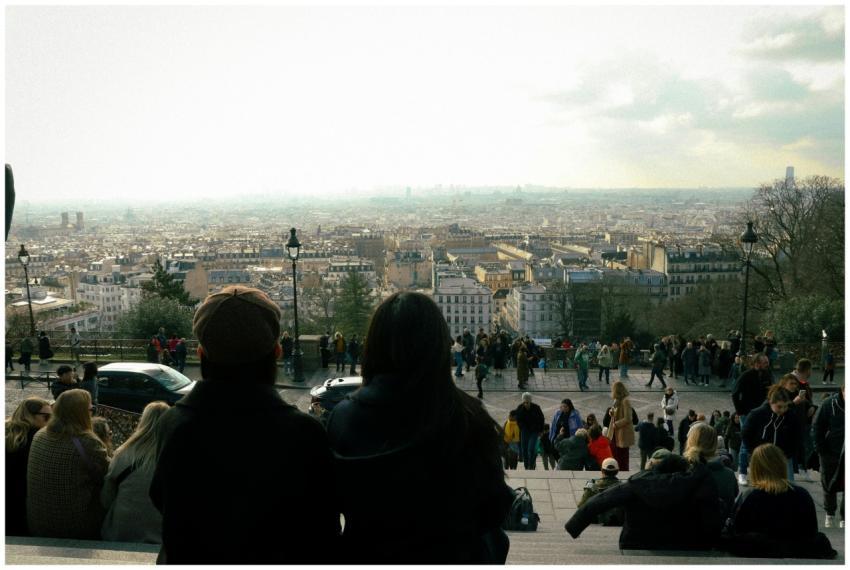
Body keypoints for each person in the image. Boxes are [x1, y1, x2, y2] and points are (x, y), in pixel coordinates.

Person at [150, 286, 340, 564]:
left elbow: (161, 500)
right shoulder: (304, 433)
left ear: (201, 354)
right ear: (276, 352)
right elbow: (323, 528)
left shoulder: (173, 424)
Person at [326, 291, 513, 563]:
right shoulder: (466, 417)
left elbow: (331, 507)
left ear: (374, 345)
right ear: (437, 345)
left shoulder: (343, 418)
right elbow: (494, 508)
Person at [565, 447, 723, 550]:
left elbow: (601, 500)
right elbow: (711, 516)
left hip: (636, 542)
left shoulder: (639, 482)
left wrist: (574, 526)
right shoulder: (697, 482)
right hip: (684, 543)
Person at [724, 444, 836, 559]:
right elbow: (812, 531)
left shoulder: (750, 496)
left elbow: (738, 531)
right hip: (798, 548)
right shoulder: (802, 495)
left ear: (755, 468)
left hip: (758, 548)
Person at [27, 389, 108, 539]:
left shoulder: (40, 434)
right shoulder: (87, 442)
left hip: (38, 522)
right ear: (81, 413)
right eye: (91, 409)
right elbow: (108, 475)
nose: (92, 413)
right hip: (75, 526)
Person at [101, 401, 170, 543]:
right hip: (162, 536)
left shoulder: (123, 453)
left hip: (121, 532)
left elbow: (106, 500)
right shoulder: (177, 456)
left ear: (142, 422)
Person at [5, 397, 52, 536]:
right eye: (46, 417)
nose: (50, 421)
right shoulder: (37, 438)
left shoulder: (7, 431)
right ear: (30, 416)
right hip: (23, 496)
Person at [741, 385, 801, 482]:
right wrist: (753, 452)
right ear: (770, 403)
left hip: (783, 456)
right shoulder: (756, 414)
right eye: (779, 406)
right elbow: (745, 434)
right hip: (762, 456)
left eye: (785, 406)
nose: (783, 410)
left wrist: (789, 453)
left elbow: (796, 436)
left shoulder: (791, 416)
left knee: (788, 485)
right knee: (762, 485)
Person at [731, 353, 773, 486]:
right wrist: (740, 411)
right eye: (765, 362)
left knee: (762, 441)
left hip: (764, 412)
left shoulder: (767, 374)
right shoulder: (746, 375)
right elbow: (735, 393)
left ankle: (759, 471)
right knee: (745, 442)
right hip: (747, 413)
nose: (767, 364)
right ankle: (742, 472)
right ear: (757, 363)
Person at [683, 422, 738, 520]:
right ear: (714, 444)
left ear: (690, 441)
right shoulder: (728, 474)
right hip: (718, 530)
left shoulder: (681, 472)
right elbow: (731, 502)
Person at [812, 386, 844, 528]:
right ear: (843, 390)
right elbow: (817, 427)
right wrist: (821, 450)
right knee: (828, 483)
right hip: (830, 452)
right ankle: (830, 513)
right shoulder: (829, 404)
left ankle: (844, 516)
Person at [576, 457, 624, 525]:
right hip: (618, 517)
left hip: (597, 518)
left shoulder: (593, 485)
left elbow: (581, 506)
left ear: (602, 470)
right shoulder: (623, 486)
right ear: (617, 471)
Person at [607, 381, 634, 471]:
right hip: (615, 432)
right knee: (614, 454)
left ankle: (623, 472)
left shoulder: (625, 401)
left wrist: (616, 424)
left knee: (622, 456)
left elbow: (628, 418)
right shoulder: (616, 400)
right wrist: (611, 412)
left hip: (622, 432)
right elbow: (615, 412)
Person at [515, 392, 545, 470]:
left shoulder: (536, 408)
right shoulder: (520, 408)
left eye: (527, 402)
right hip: (524, 431)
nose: (526, 404)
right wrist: (522, 427)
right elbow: (518, 420)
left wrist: (541, 430)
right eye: (524, 402)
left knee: (531, 448)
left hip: (534, 431)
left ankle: (531, 465)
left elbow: (542, 419)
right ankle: (526, 466)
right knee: (524, 449)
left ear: (530, 401)